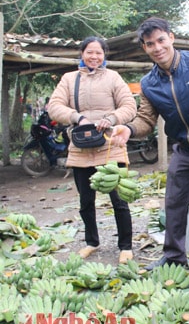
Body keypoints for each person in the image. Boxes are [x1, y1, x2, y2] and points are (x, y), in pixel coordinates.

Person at [111, 17, 189, 292]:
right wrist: (129, 130)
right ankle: (175, 257)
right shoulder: (149, 83)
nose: (157, 48)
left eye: (160, 40)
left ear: (171, 37)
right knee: (174, 204)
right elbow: (145, 119)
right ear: (145, 48)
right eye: (150, 44)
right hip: (185, 150)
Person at [48, 36, 137, 264]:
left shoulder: (113, 77)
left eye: (99, 53)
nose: (94, 57)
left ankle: (125, 246)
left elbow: (129, 106)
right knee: (86, 201)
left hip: (110, 147)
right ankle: (91, 242)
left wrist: (112, 118)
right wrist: (78, 117)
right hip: (80, 148)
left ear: (104, 55)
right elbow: (54, 106)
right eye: (90, 52)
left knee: (119, 199)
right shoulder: (69, 79)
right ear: (82, 53)